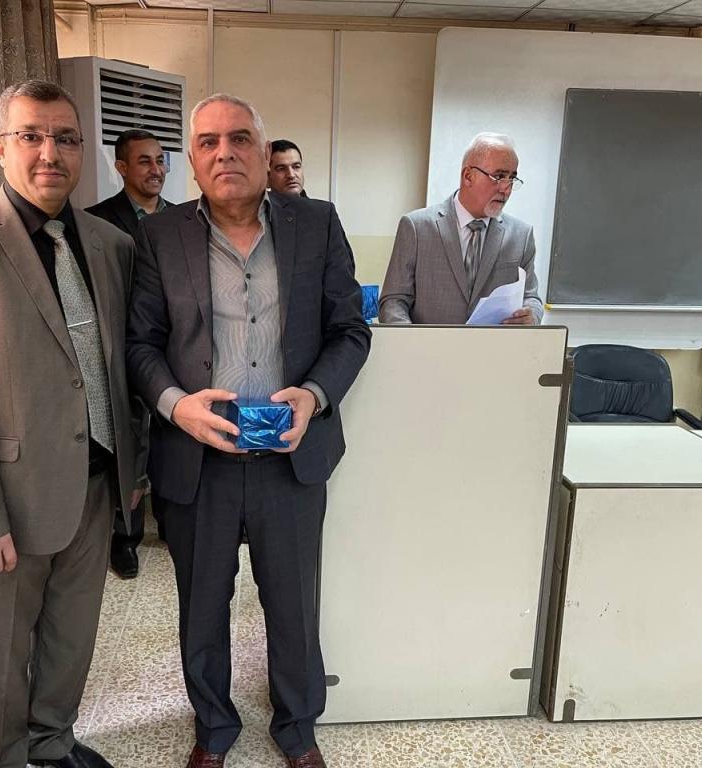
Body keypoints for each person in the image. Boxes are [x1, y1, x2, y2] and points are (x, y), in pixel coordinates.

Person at [126, 94, 370, 768]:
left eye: (239, 139)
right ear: (192, 161)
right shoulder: (160, 235)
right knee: (202, 607)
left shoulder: (316, 224)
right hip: (196, 459)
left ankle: (298, 729)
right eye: (208, 142)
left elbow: (351, 330)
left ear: (264, 154)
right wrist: (176, 405)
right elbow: (140, 342)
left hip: (289, 456)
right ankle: (213, 729)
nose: (224, 152)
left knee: (293, 607)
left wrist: (314, 396)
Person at [0, 79, 136, 768]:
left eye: (66, 138)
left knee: (71, 638)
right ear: (0, 147)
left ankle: (51, 744)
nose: (50, 153)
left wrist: (131, 472)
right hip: (7, 501)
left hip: (96, 485)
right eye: (31, 136)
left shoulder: (109, 244)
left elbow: (116, 365)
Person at [87, 128, 173, 576]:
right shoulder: (96, 223)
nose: (156, 169)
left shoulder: (183, 220)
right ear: (121, 167)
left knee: (171, 435)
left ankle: (173, 522)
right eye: (144, 161)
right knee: (129, 440)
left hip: (173, 348)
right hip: (120, 348)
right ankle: (125, 537)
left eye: (160, 160)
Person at [378, 132, 543, 325]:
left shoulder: (521, 236)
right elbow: (393, 302)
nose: (506, 188)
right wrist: (413, 339)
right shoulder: (417, 227)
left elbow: (531, 298)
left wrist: (532, 315)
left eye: (512, 179)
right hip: (429, 344)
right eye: (498, 177)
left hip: (493, 345)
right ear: (468, 176)